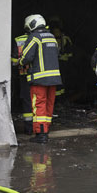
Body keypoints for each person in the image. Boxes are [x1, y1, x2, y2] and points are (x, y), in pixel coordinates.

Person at [18, 14, 62, 144]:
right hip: (54, 79)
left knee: (39, 106)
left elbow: (26, 57)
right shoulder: (52, 37)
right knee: (49, 105)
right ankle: (46, 130)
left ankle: (40, 135)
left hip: (39, 79)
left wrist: (20, 62)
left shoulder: (34, 37)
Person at [11, 30, 34, 135]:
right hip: (38, 75)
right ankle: (40, 129)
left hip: (24, 74)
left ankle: (29, 129)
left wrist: (19, 62)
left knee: (27, 100)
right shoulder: (41, 38)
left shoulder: (19, 40)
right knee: (39, 101)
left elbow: (14, 61)